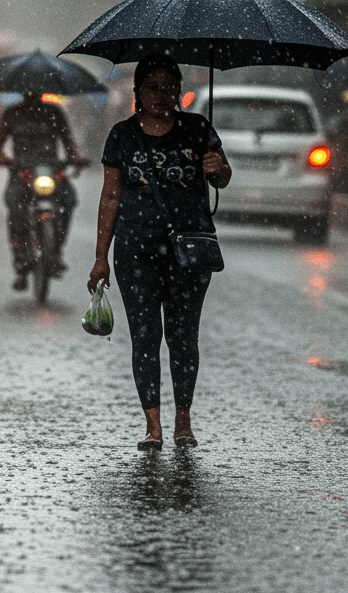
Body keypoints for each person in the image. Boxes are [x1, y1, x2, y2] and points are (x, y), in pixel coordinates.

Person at [87, 53, 232, 450]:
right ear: (137, 92)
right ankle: (153, 426)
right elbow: (111, 195)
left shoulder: (198, 129)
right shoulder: (121, 136)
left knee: (183, 338)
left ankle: (183, 421)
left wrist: (217, 167)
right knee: (146, 337)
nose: (160, 94)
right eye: (152, 86)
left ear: (179, 91)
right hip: (135, 251)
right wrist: (101, 257)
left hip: (189, 252)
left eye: (168, 86)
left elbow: (223, 177)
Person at [0, 92, 88, 290]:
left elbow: (68, 141)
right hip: (22, 172)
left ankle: (57, 250)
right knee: (14, 205)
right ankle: (20, 260)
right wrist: (5, 159)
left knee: (69, 200)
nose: (33, 96)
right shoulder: (11, 114)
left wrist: (76, 159)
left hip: (51, 170)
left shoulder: (55, 113)